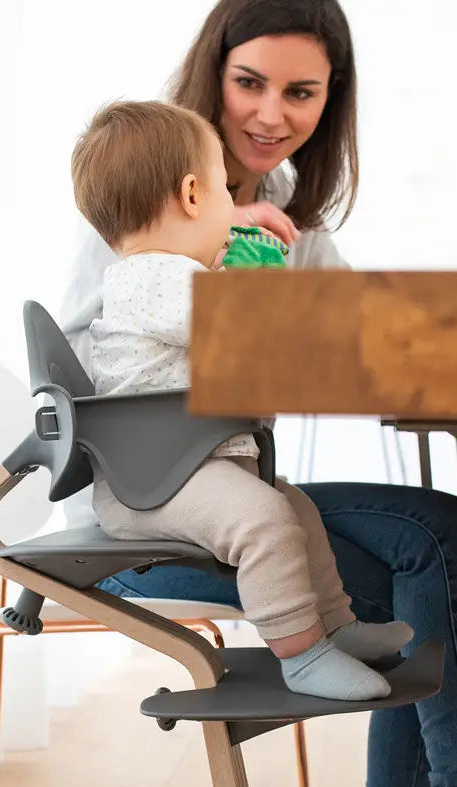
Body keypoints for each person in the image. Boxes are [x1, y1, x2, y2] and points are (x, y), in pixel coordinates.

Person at [59, 0, 457, 787]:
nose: (271, 113)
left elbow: (346, 333)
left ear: (330, 100)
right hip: (152, 512)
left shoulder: (274, 210)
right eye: (250, 83)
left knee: (435, 531)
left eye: (301, 91)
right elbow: (106, 368)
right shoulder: (146, 199)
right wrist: (248, 267)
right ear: (212, 80)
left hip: (222, 487)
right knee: (422, 557)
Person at [72, 98, 412, 701]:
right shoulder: (151, 276)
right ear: (194, 195)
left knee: (297, 513)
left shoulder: (175, 278)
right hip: (153, 483)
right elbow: (243, 329)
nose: (236, 206)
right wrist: (262, 287)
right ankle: (302, 655)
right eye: (228, 191)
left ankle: (337, 628)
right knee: (267, 523)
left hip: (186, 468)